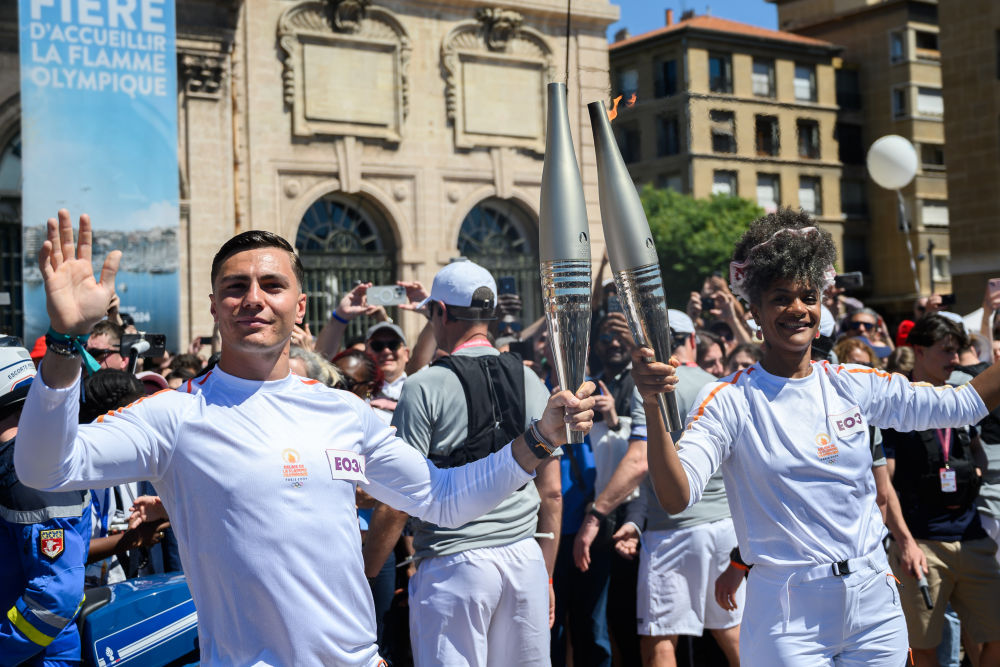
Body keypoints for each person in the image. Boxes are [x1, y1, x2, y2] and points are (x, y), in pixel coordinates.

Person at [14, 210, 595, 666]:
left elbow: (444, 499)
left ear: (299, 307)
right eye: (235, 286)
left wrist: (539, 439)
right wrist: (65, 344)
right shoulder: (174, 416)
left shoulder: (346, 412)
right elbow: (46, 469)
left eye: (271, 284)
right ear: (215, 306)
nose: (253, 298)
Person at [634, 209, 1000, 666]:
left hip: (873, 602)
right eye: (781, 297)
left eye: (808, 296)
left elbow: (960, 405)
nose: (798, 309)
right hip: (787, 613)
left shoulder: (854, 383)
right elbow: (675, 495)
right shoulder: (728, 400)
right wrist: (652, 406)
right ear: (755, 310)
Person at [363, 260, 562, 667]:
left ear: (440, 312)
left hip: (455, 565)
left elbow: (400, 498)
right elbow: (553, 492)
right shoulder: (530, 380)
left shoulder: (423, 385)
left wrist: (365, 574)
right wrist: (547, 573)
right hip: (525, 560)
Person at [607, 310, 740, 667]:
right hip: (725, 529)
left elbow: (639, 461)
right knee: (735, 633)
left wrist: (596, 512)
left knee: (659, 641)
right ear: (692, 340)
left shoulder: (649, 385)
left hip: (673, 532)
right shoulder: (719, 386)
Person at [882, 314, 1000, 667]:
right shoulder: (895, 403)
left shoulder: (962, 398)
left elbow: (976, 446)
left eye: (957, 352)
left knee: (995, 634)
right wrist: (904, 542)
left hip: (972, 536)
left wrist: (977, 465)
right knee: (924, 648)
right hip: (922, 545)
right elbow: (883, 481)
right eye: (946, 351)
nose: (953, 359)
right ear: (918, 351)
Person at [0, 337, 91, 666]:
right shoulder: (22, 462)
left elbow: (56, 595)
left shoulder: (24, 472)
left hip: (38, 659)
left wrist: (3, 647)